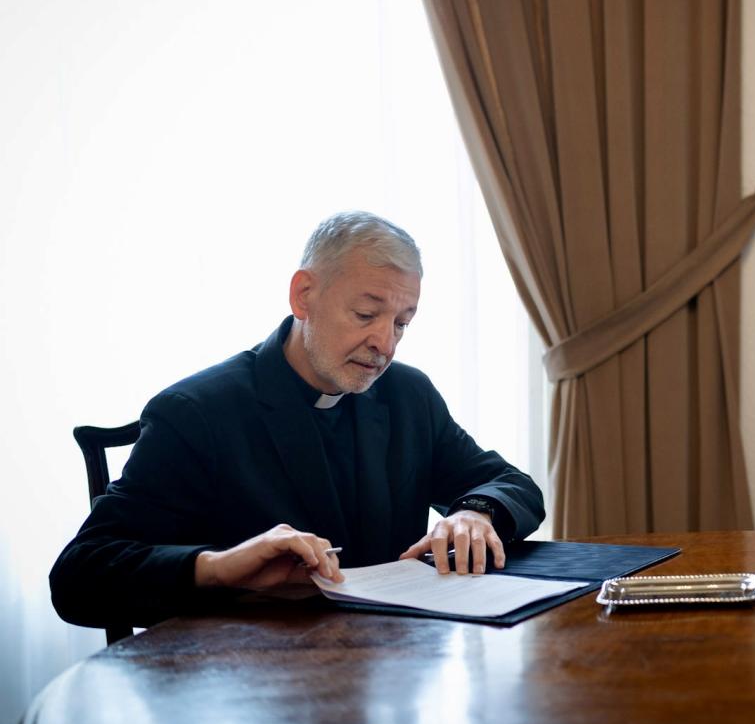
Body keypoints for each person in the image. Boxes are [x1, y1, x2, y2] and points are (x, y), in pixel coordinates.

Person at [51, 212, 545, 628]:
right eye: (366, 314)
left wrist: (475, 513)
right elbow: (78, 577)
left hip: (392, 669)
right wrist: (219, 568)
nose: (386, 345)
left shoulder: (406, 393)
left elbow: (510, 484)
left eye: (401, 323)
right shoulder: (196, 412)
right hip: (257, 689)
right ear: (304, 296)